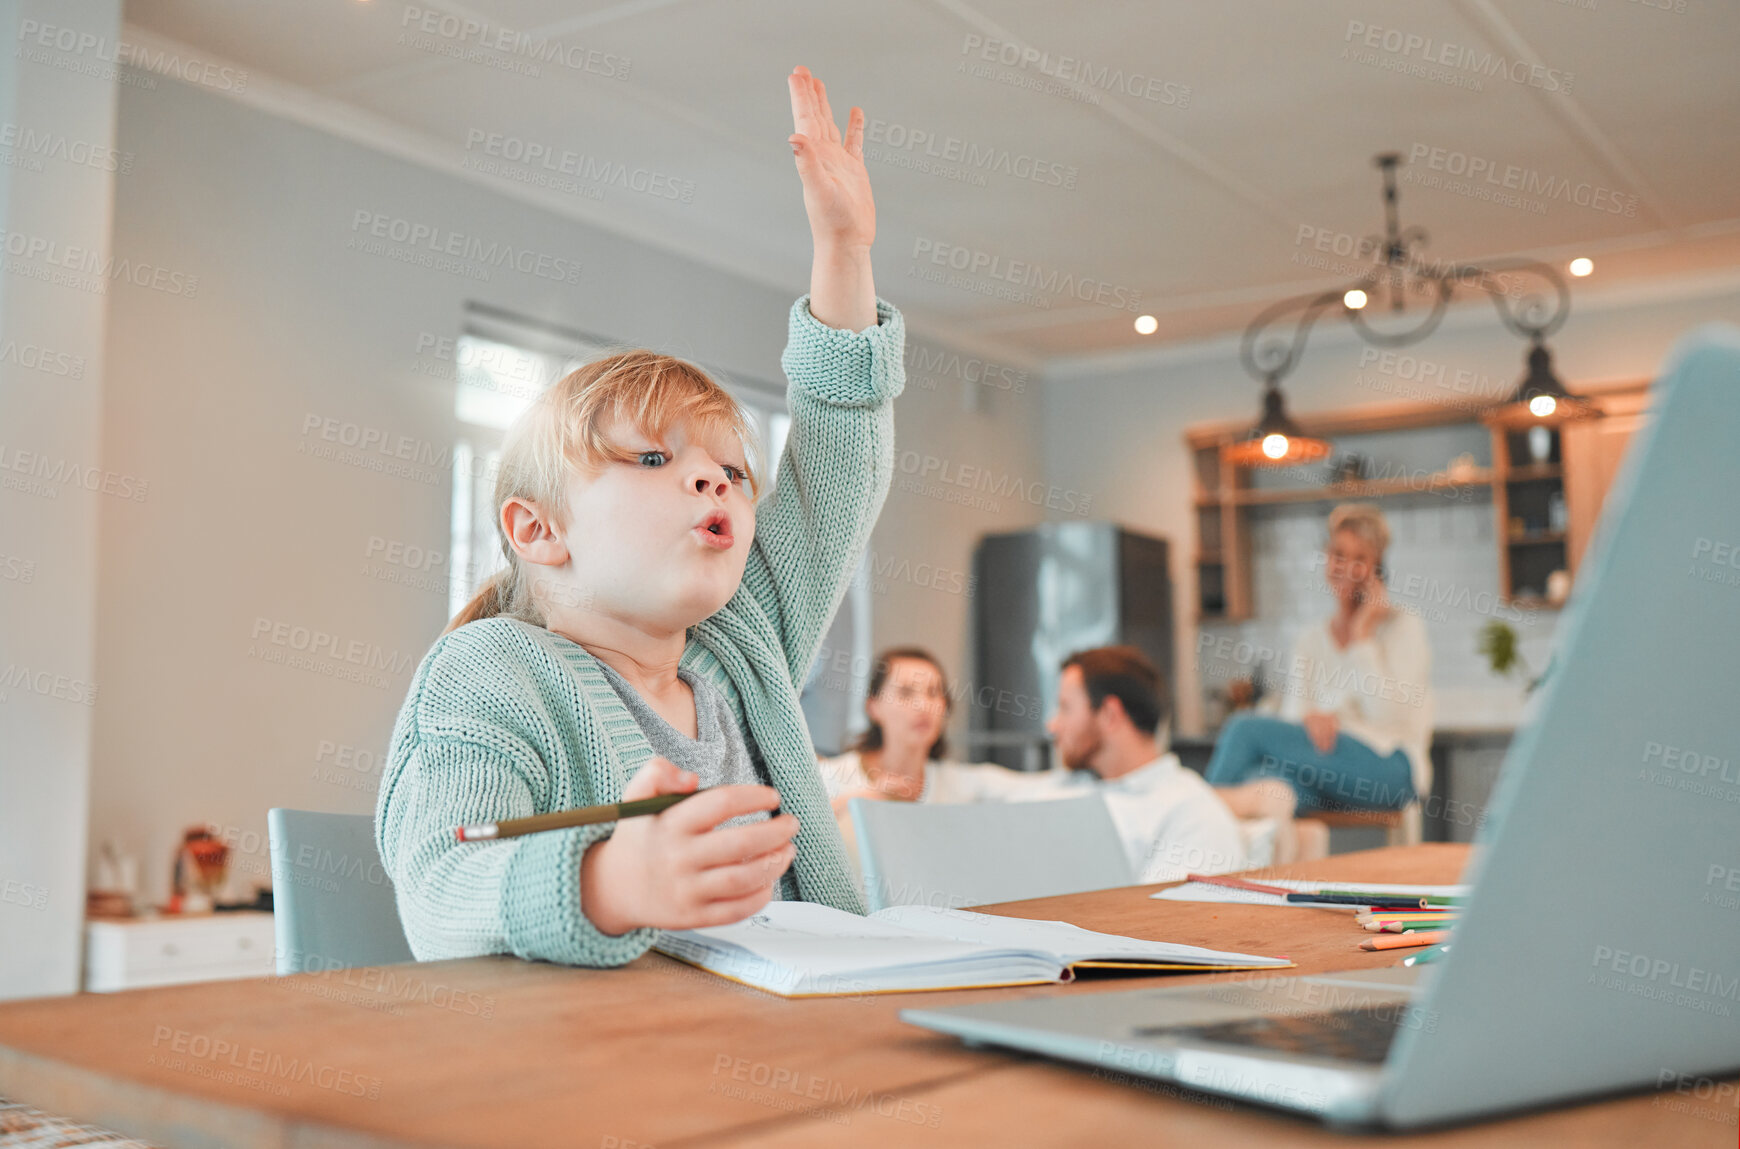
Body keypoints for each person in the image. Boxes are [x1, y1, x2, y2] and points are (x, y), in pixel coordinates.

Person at [375, 66, 900, 967]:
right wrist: (609, 881)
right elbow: (440, 888)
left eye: (734, 470)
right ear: (539, 531)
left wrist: (844, 252)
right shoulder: (486, 673)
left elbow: (835, 472)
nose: (717, 484)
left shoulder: (745, 644)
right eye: (656, 459)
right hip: (603, 1085)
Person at [1204, 503, 1434, 862]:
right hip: (1322, 768)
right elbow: (1297, 713)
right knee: (1270, 784)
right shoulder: (1310, 639)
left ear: (1377, 570)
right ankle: (1269, 888)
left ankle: (1195, 836)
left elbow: (1390, 715)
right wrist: (1311, 719)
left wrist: (1362, 637)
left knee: (1242, 730)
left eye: (1361, 558)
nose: (1347, 567)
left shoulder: (1404, 627)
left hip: (1389, 769)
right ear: (1327, 559)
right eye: (1339, 554)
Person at [1042, 646, 1246, 883]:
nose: (1052, 726)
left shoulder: (1190, 812)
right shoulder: (1069, 782)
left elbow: (1164, 915)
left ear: (1109, 714)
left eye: (1065, 708)